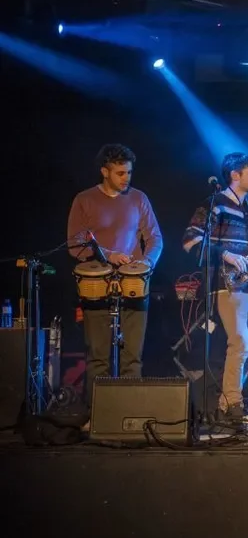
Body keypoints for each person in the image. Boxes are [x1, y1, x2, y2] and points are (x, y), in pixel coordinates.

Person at [66, 144, 163, 407]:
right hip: (96, 285)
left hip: (134, 283)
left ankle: (129, 414)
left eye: (129, 172)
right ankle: (97, 414)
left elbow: (155, 238)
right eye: (120, 173)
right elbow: (75, 244)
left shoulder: (139, 198)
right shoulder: (84, 199)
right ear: (104, 172)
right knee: (98, 356)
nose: (126, 178)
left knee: (132, 356)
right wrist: (109, 255)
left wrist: (146, 264)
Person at [183, 153, 248, 423]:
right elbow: (190, 241)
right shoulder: (215, 204)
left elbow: (247, 249)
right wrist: (226, 255)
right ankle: (233, 403)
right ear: (234, 175)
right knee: (239, 343)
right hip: (225, 286)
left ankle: (226, 401)